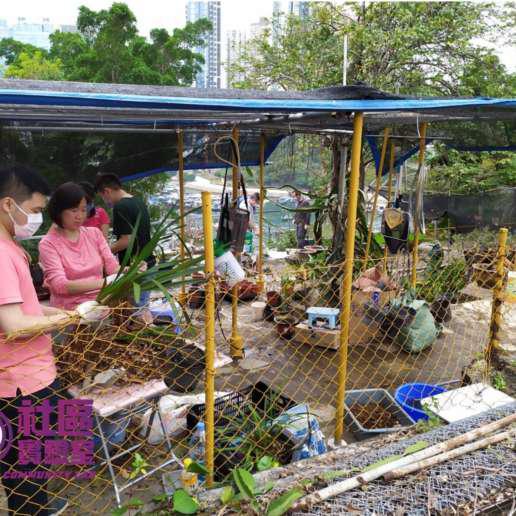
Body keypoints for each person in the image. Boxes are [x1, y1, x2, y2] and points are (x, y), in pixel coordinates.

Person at [0, 164, 71, 515]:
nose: (39, 219)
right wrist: (67, 320)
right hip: (18, 386)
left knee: (32, 462)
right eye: (37, 210)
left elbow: (23, 307)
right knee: (23, 472)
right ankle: (32, 508)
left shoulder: (9, 245)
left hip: (31, 376)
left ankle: (37, 503)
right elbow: (13, 324)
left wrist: (65, 314)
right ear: (8, 204)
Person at [38, 182, 120, 311]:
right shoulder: (48, 244)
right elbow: (60, 285)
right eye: (74, 210)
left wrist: (128, 270)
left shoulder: (94, 234)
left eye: (83, 210)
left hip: (100, 306)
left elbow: (112, 267)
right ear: (59, 211)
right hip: (69, 314)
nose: (80, 216)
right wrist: (105, 283)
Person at [95, 173, 154, 322]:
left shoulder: (121, 206)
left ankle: (146, 341)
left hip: (135, 268)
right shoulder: (137, 201)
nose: (105, 201)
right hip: (148, 263)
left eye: (103, 197)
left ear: (107, 191)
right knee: (142, 309)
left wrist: (103, 252)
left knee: (137, 315)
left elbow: (126, 241)